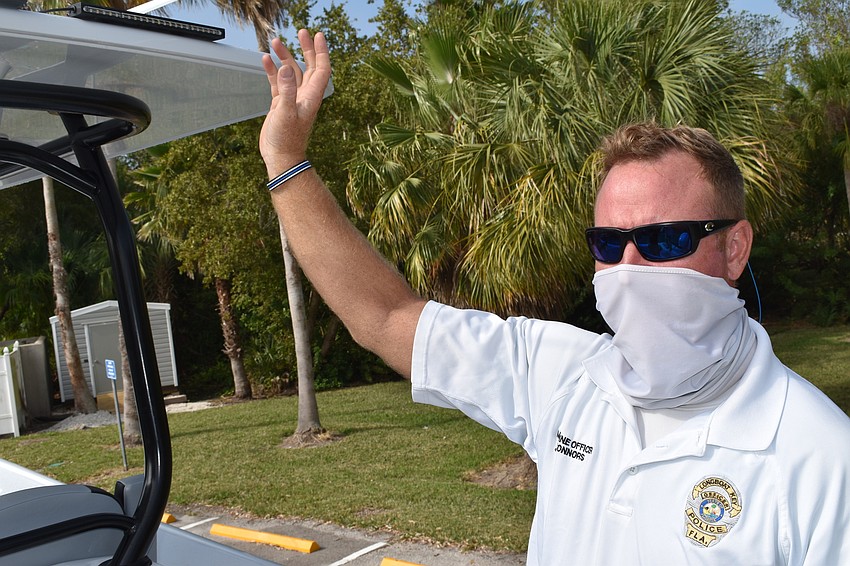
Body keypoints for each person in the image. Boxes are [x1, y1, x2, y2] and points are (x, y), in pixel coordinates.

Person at [259, 31, 850, 565]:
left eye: (663, 240)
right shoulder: (563, 375)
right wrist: (286, 162)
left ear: (735, 248)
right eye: (608, 243)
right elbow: (386, 317)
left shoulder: (819, 456)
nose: (630, 265)